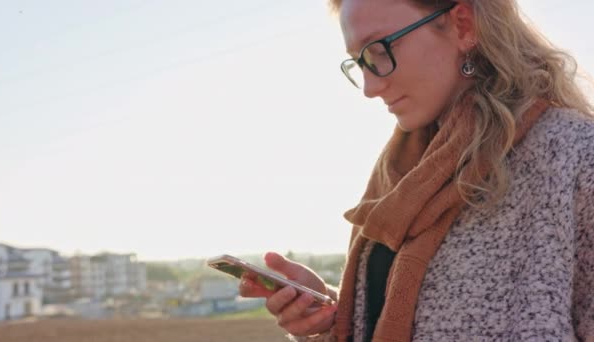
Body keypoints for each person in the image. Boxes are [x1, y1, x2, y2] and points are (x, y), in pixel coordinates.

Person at [240, 0, 594, 341]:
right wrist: (330, 319)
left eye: (380, 50)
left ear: (462, 25)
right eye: (359, 62)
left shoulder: (574, 156)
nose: (370, 87)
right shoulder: (401, 171)